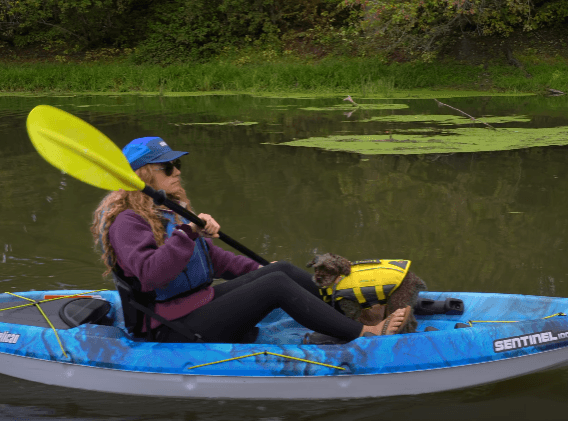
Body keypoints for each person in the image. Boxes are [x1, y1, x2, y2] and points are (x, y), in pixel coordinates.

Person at [91, 136, 410, 343]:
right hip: (167, 326)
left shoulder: (167, 210)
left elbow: (216, 261)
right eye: (168, 166)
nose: (177, 171)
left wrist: (261, 267)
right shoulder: (127, 223)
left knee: (279, 271)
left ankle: (346, 313)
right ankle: (365, 332)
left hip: (193, 305)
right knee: (274, 287)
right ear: (143, 175)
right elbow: (150, 276)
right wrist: (189, 232)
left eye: (178, 164)